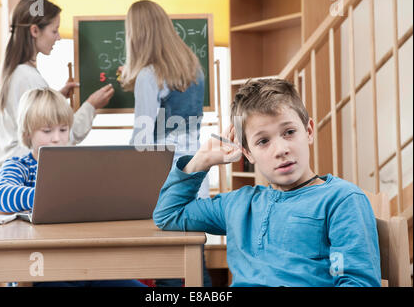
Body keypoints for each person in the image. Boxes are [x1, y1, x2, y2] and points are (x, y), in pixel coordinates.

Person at [153, 78, 381, 287]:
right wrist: (201, 161)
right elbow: (169, 214)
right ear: (247, 154)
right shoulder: (239, 204)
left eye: (289, 132)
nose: (281, 150)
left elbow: (357, 282)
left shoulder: (342, 199)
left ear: (309, 131)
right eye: (263, 141)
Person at [0, 88, 145, 287]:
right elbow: (0, 195)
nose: (57, 138)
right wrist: (50, 196)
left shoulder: (79, 167)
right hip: (37, 271)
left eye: (63, 130)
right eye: (47, 131)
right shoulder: (19, 166)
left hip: (85, 267)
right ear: (28, 132)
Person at [120, 0, 212, 287]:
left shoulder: (149, 75)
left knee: (170, 259)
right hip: (197, 169)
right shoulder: (193, 69)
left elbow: (142, 139)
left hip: (165, 176)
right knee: (194, 256)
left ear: (138, 34)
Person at [0, 0, 114, 167]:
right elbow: (61, 138)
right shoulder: (28, 77)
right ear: (35, 31)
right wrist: (90, 106)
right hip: (31, 169)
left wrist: (56, 96)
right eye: (54, 30)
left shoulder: (16, 72)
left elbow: (33, 119)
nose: (58, 38)